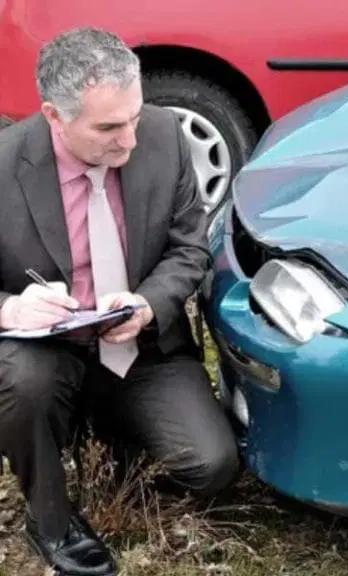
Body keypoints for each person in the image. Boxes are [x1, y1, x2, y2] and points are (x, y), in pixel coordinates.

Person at [0, 28, 240, 576]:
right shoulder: (3, 166)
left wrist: (149, 303)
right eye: (108, 127)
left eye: (133, 116)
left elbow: (189, 248)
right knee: (23, 382)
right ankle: (51, 519)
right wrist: (11, 310)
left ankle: (101, 426)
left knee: (211, 466)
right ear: (54, 116)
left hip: (144, 347)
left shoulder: (163, 134)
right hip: (46, 350)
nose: (129, 140)